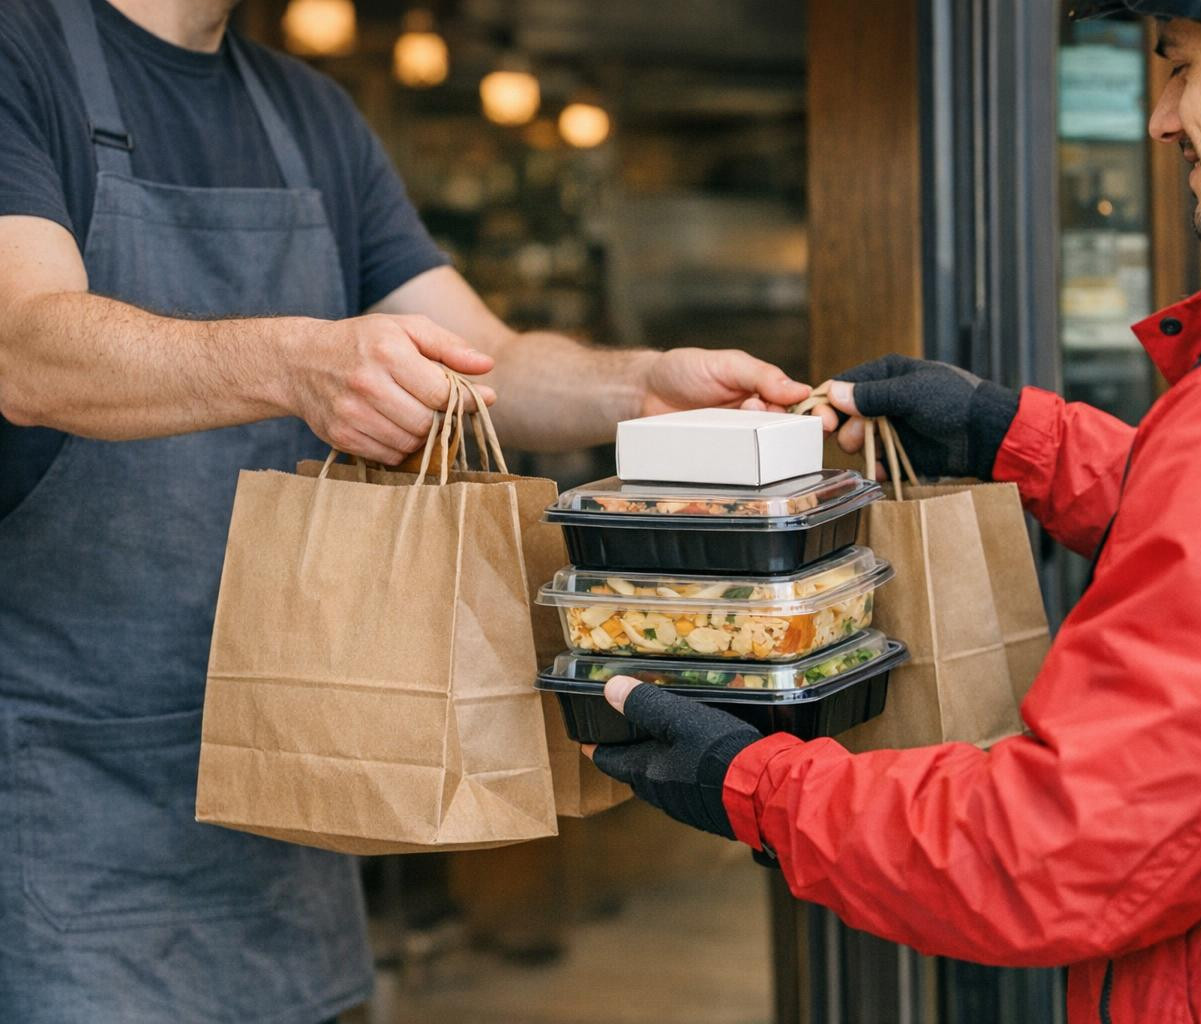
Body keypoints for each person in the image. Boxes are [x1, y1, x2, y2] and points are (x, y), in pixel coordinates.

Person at [588, 2, 1201, 1021]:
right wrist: (1015, 436)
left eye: (1177, 68)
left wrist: (752, 783)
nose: (1161, 119)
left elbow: (1059, 849)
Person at [0, 0, 809, 1020]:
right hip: (72, 803)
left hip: (301, 773)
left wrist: (640, 385)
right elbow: (22, 346)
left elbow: (485, 361)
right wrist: (295, 361)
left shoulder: (308, 113)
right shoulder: (20, 53)